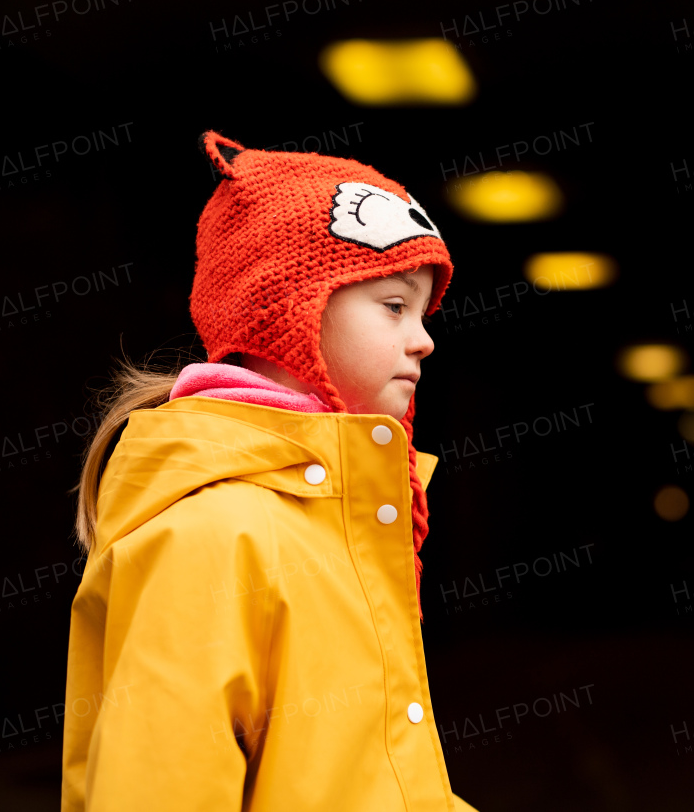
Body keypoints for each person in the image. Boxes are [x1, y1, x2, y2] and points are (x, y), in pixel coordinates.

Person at [60, 130, 480, 811]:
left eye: (423, 309)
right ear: (290, 309)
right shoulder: (210, 536)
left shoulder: (343, 518)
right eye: (395, 305)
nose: (424, 338)